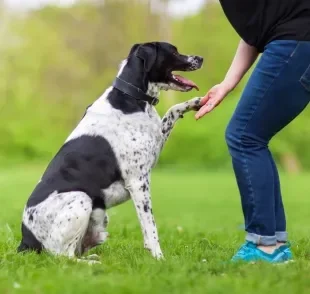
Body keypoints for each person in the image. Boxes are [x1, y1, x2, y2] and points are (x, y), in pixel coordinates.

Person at [195, 0, 310, 263]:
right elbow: (257, 32)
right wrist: (227, 83)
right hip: (295, 43)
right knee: (253, 138)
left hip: (295, 42)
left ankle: (263, 245)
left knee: (244, 137)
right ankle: (275, 243)